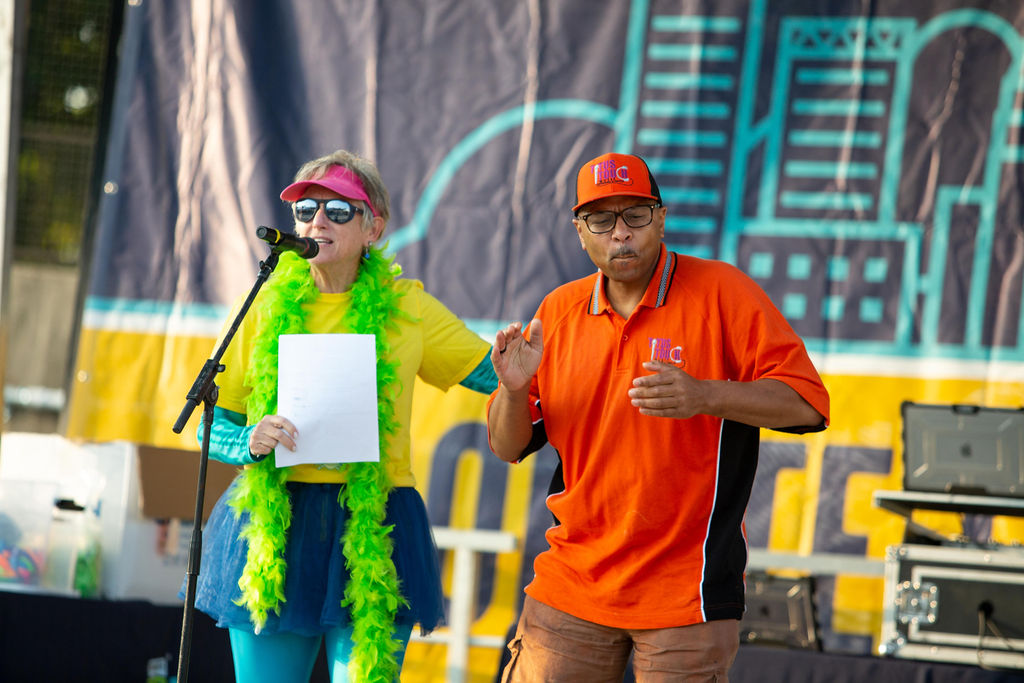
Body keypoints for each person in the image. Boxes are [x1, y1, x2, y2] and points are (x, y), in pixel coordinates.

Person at [487, 152, 830, 682]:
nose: (619, 233)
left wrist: (707, 396)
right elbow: (508, 446)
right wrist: (512, 391)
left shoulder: (723, 292)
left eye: (635, 215)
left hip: (686, 593)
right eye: (601, 220)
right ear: (581, 233)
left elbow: (808, 404)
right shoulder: (557, 311)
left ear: (661, 218)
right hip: (572, 584)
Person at [188, 149, 497, 683]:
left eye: (337, 210)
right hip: (276, 526)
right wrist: (249, 442)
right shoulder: (263, 302)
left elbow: (497, 374)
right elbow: (208, 424)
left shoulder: (409, 308)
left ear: (373, 226)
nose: (316, 221)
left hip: (375, 519)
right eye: (306, 209)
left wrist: (551, 362)